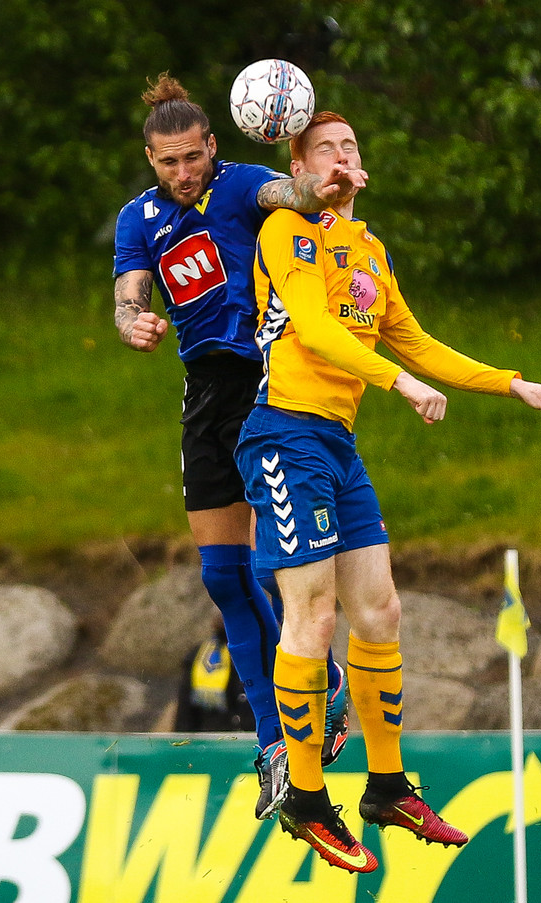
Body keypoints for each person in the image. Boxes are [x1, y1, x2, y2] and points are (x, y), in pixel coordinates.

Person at [234, 111, 541, 873]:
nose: (342, 156)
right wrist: (398, 383)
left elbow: (416, 341)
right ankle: (304, 797)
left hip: (336, 443)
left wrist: (514, 383)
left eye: (350, 146)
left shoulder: (370, 250)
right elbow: (315, 328)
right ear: (300, 169)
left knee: (381, 610)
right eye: (325, 149)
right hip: (284, 434)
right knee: (314, 615)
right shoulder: (288, 230)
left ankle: (388, 787)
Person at [112, 75, 364, 820]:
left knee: (268, 565)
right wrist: (133, 323)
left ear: (213, 146)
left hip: (268, 384)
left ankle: (311, 701)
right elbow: (129, 294)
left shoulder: (245, 183)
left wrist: (321, 187)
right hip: (204, 397)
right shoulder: (139, 219)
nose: (184, 172)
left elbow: (290, 196)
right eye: (169, 162)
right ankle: (276, 744)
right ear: (151, 159)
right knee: (222, 577)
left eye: (193, 157)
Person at [173, 611, 256, 733]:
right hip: (214, 736)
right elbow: (185, 710)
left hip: (222, 734)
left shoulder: (199, 653)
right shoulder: (198, 655)